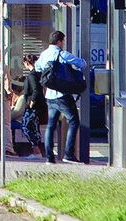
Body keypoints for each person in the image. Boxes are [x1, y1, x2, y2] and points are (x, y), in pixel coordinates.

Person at [35, 30, 86, 164]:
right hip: (62, 95)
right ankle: (68, 154)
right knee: (74, 120)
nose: (63, 43)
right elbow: (81, 63)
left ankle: (49, 157)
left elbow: (38, 67)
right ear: (59, 41)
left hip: (50, 96)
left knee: (51, 125)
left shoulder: (44, 54)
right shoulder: (62, 54)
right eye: (63, 41)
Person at [19, 54, 47, 159]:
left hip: (33, 106)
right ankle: (38, 151)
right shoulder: (39, 74)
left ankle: (36, 150)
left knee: (26, 126)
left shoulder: (32, 75)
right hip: (40, 105)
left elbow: (36, 89)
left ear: (27, 63)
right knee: (34, 127)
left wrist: (32, 101)